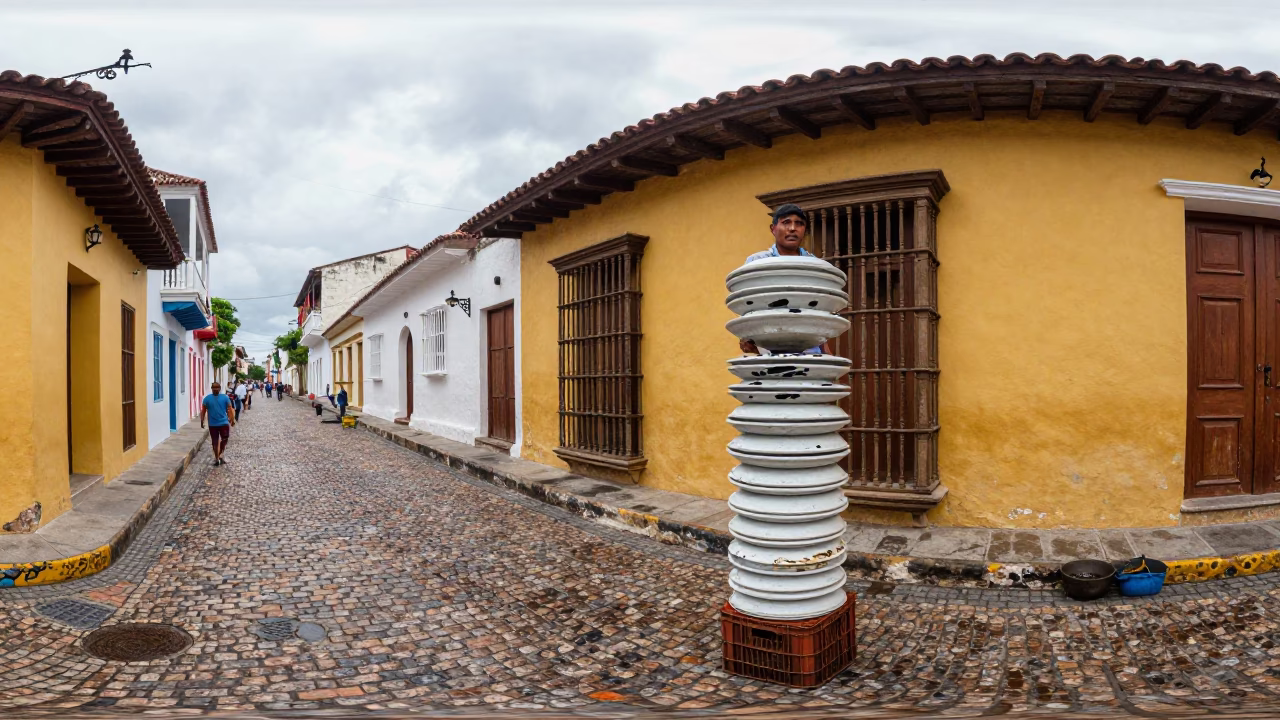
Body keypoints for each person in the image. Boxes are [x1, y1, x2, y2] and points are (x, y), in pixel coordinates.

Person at [739, 203, 831, 357]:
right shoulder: (757, 262)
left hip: (808, 348)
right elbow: (746, 301)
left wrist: (826, 351)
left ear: (804, 230)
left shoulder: (814, 265)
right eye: (786, 222)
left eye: (799, 223)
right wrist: (746, 334)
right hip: (768, 344)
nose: (793, 228)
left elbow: (818, 309)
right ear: (773, 229)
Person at [200, 381, 236, 466]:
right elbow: (203, 411)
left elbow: (230, 410)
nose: (216, 389)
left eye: (217, 388)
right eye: (214, 388)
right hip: (213, 424)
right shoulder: (207, 399)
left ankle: (219, 455)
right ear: (212, 389)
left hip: (223, 423)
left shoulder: (225, 398)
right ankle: (217, 458)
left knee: (224, 440)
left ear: (220, 389)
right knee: (215, 442)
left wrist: (232, 420)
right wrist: (202, 421)